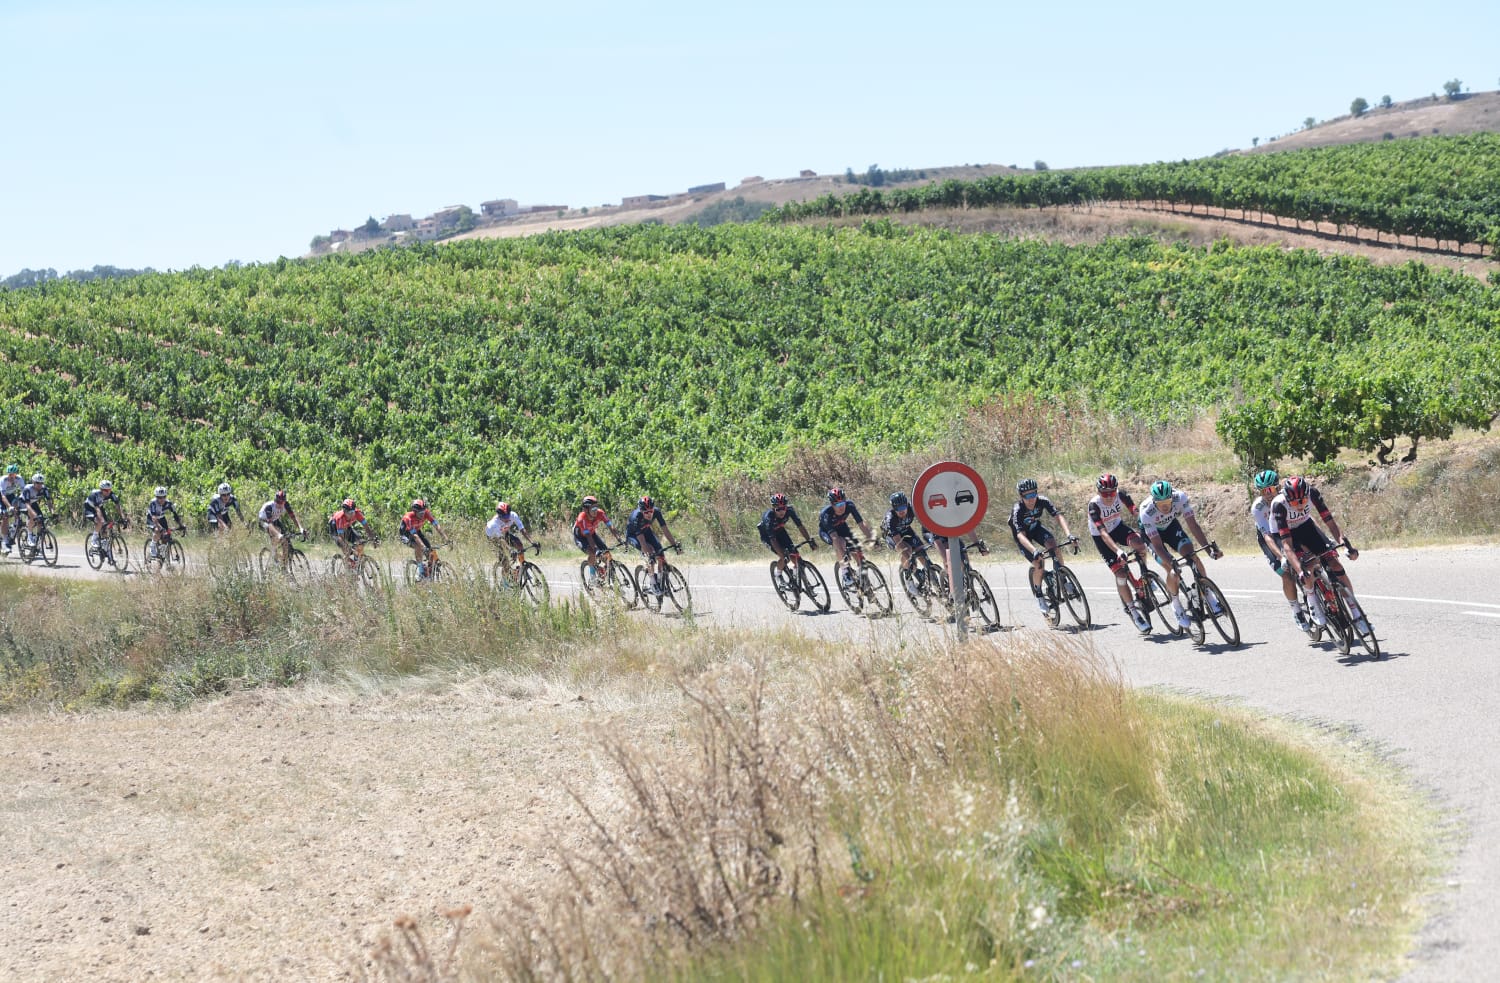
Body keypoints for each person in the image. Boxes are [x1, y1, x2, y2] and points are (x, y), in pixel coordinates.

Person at [1272, 476, 1367, 634]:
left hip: (1305, 526)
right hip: (1285, 533)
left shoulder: (1313, 494)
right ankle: (1312, 600)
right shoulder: (1279, 505)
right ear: (1287, 499)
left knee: (1334, 563)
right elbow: (1287, 545)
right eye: (1295, 503)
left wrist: (1346, 546)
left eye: (1303, 500)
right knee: (1307, 568)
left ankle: (1357, 615)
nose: (1300, 505)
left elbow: (1330, 522)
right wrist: (1300, 571)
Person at [1139, 480, 1223, 629]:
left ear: (1172, 496)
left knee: (1192, 556)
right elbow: (1158, 545)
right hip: (1153, 536)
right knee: (1172, 570)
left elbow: (1193, 526)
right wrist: (1172, 563)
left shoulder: (1180, 497)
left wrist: (1208, 550)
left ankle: (1207, 595)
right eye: (1160, 502)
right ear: (1154, 501)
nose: (1165, 505)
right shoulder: (1146, 511)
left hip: (1171, 527)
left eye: (1167, 500)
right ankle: (1176, 605)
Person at [1087, 473, 1152, 631]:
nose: (1109, 497)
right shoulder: (1094, 506)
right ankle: (1132, 610)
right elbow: (1103, 533)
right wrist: (1118, 551)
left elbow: (1135, 512)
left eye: (1112, 492)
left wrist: (1146, 528)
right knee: (1121, 574)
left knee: (1140, 545)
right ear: (1098, 491)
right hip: (1101, 536)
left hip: (1117, 527)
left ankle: (1144, 576)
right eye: (1105, 493)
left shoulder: (1120, 495)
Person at [1250, 469, 1307, 629]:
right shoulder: (1258, 507)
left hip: (1287, 530)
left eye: (1271, 489)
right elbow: (1267, 536)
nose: (1267, 494)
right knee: (1286, 574)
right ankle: (1296, 610)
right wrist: (1281, 557)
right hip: (1269, 538)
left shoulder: (1286, 497)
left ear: (1278, 486)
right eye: (1263, 491)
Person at [1009, 478, 1076, 615]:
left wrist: (1069, 535)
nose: (1031, 498)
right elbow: (1020, 536)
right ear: (1021, 496)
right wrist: (1034, 550)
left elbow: (1058, 516)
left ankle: (1062, 578)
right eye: (1027, 495)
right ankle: (1039, 595)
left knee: (1054, 547)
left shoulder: (1042, 501)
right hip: (1023, 537)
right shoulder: (1018, 510)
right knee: (1039, 562)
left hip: (1035, 528)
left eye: (1033, 494)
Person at [818, 487, 876, 589]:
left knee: (858, 551)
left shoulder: (849, 505)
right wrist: (843, 556)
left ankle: (863, 581)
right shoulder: (826, 514)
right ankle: (845, 572)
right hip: (827, 532)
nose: (841, 507)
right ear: (832, 505)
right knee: (840, 542)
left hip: (842, 527)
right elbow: (834, 537)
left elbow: (861, 524)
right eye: (838, 504)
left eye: (843, 503)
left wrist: (872, 539)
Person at [626, 495, 680, 595]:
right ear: (641, 511)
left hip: (646, 531)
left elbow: (665, 530)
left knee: (661, 554)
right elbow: (642, 541)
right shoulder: (636, 518)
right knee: (650, 552)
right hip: (633, 536)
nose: (649, 514)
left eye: (651, 511)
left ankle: (660, 583)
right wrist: (649, 556)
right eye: (646, 512)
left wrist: (674, 544)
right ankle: (653, 584)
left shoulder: (657, 512)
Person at [757, 492, 814, 579]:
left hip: (780, 531)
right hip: (768, 536)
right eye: (778, 509)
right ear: (773, 508)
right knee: (784, 557)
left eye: (783, 508)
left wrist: (809, 540)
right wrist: (782, 555)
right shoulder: (769, 517)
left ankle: (796, 576)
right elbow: (772, 539)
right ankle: (778, 575)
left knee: (795, 555)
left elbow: (800, 526)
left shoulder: (790, 511)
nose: (781, 511)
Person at [486, 501, 539, 585]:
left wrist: (532, 542)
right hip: (494, 539)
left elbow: (522, 530)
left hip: (504, 534)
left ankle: (522, 567)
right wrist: (510, 550)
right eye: (504, 516)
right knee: (505, 561)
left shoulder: (513, 515)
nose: (507, 518)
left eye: (508, 515)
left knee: (519, 544)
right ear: (499, 516)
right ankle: (505, 583)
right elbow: (500, 539)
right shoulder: (494, 524)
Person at [572, 495, 616, 585]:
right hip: (581, 537)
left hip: (592, 534)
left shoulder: (600, 513)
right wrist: (596, 550)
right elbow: (588, 537)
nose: (595, 510)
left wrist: (619, 539)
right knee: (592, 553)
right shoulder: (582, 518)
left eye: (596, 507)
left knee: (607, 555)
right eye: (593, 509)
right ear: (586, 510)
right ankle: (592, 578)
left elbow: (610, 526)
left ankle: (612, 581)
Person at [399, 499, 446, 580]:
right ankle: (421, 572)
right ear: (414, 511)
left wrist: (445, 537)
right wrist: (423, 547)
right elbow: (414, 535)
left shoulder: (426, 513)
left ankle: (428, 573)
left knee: (430, 551)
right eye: (420, 513)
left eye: (423, 512)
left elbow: (436, 525)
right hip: (406, 534)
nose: (422, 514)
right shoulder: (408, 517)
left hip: (417, 531)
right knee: (418, 547)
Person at [82, 480, 128, 558]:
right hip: (89, 509)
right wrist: (102, 520)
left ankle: (104, 548)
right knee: (100, 522)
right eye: (106, 490)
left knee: (106, 528)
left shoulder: (110, 494)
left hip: (99, 507)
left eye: (110, 489)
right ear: (101, 490)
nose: (108, 492)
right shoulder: (95, 495)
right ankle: (94, 540)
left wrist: (123, 518)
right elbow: (97, 510)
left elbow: (118, 506)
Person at [258, 490, 307, 556]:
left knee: (286, 540)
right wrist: (278, 534)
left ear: (284, 501)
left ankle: (284, 564)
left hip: (275, 520)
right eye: (278, 501)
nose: (279, 504)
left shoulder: (286, 504)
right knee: (277, 532)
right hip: (264, 521)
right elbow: (270, 524)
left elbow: (293, 517)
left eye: (282, 502)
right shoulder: (269, 507)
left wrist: (301, 529)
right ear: (275, 500)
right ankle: (273, 554)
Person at [144, 487, 186, 560]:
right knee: (157, 530)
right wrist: (160, 528)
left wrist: (181, 525)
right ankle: (152, 547)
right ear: (156, 497)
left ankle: (162, 555)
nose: (161, 499)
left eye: (163, 497)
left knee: (166, 536)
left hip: (161, 518)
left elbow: (175, 515)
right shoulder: (153, 503)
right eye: (159, 497)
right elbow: (154, 518)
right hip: (151, 518)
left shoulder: (169, 503)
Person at [329, 497, 369, 566]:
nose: (352, 514)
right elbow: (341, 537)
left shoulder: (357, 513)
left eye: (353, 512)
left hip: (346, 527)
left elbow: (366, 526)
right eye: (349, 512)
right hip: (335, 529)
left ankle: (356, 563)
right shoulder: (340, 518)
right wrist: (347, 546)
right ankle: (347, 567)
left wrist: (372, 536)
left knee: (360, 542)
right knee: (346, 549)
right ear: (344, 512)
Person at [19, 472, 53, 549]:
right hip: (23, 503)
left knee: (40, 520)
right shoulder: (28, 489)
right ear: (33, 482)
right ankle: (30, 537)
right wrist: (34, 514)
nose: (39, 485)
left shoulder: (44, 489)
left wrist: (53, 513)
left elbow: (49, 502)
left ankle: (38, 540)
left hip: (33, 502)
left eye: (41, 483)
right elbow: (27, 505)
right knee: (32, 516)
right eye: (37, 483)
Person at [0, 464, 26, 553]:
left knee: (17, 507)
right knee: (5, 515)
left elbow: (24, 492)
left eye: (13, 474)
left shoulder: (19, 479)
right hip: (1, 497)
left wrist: (22, 501)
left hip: (11, 495)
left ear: (16, 474)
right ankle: (5, 541)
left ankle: (15, 525)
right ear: (8, 474)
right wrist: (9, 507)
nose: (12, 476)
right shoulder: (3, 480)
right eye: (10, 474)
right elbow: (3, 496)